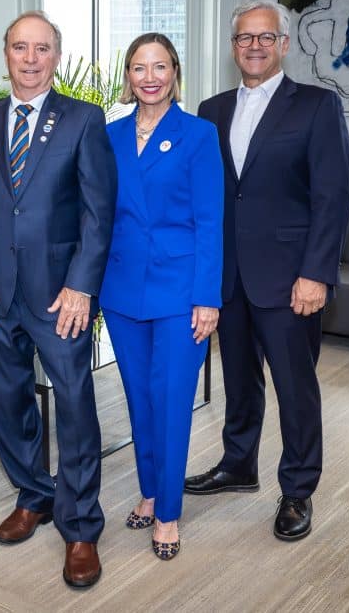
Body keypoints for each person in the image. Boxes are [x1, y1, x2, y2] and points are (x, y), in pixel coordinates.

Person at [0, 11, 117, 588]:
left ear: (56, 56)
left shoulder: (83, 119)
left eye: (41, 48)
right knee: (7, 400)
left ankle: (81, 526)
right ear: (6, 54)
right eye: (20, 47)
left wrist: (81, 285)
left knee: (74, 406)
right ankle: (34, 495)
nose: (30, 58)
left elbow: (98, 213)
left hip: (60, 297)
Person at [186, 0, 349, 541]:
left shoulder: (317, 106)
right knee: (238, 380)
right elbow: (208, 195)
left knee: (295, 387)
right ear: (233, 46)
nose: (254, 46)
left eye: (265, 36)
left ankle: (298, 488)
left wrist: (317, 273)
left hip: (289, 278)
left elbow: (333, 196)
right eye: (244, 37)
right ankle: (238, 463)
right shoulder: (210, 110)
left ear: (283, 43)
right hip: (229, 277)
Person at [99, 33, 223, 560]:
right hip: (121, 291)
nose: (149, 77)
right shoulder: (109, 135)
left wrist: (207, 297)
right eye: (138, 67)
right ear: (128, 76)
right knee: (139, 397)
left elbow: (210, 222)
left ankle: (168, 512)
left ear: (174, 72)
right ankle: (149, 491)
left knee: (171, 400)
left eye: (159, 67)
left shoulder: (198, 134)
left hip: (180, 293)